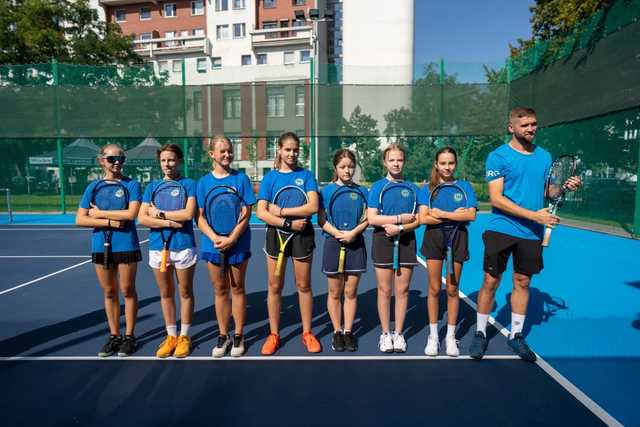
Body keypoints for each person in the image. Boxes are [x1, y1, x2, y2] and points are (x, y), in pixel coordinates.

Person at [469, 106, 581, 361]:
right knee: (490, 281)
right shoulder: (498, 157)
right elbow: (496, 199)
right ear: (512, 127)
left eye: (534, 124)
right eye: (525, 125)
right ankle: (480, 332)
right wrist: (534, 215)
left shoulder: (544, 156)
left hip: (531, 232)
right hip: (501, 229)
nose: (531, 128)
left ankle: (516, 336)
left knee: (522, 282)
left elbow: (549, 192)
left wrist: (563, 187)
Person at [256, 131, 321, 355]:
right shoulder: (270, 178)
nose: (292, 153)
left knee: (303, 286)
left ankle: (307, 333)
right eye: (288, 149)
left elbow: (312, 207)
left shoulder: (307, 175)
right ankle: (274, 334)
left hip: (303, 235)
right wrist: (287, 223)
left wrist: (282, 212)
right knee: (275, 286)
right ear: (280, 151)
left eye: (295, 150)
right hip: (277, 236)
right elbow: (262, 212)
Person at [76, 143, 142, 357]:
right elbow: (80, 219)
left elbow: (131, 215)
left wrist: (100, 214)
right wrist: (112, 223)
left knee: (127, 290)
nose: (117, 163)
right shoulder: (93, 187)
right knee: (109, 291)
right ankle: (114, 336)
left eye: (121, 159)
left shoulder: (132, 185)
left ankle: (129, 336)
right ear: (101, 160)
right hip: (100, 244)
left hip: (126, 244)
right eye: (112, 158)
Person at [197, 135, 256, 358]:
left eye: (229, 151)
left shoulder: (241, 179)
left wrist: (231, 238)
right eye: (222, 151)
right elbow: (200, 218)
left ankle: (239, 334)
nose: (227, 155)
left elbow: (246, 212)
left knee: (237, 288)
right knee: (220, 289)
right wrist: (214, 237)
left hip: (238, 242)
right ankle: (223, 335)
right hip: (212, 244)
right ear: (212, 154)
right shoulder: (203, 183)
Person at [138, 144, 197, 358]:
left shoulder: (189, 184)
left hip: (184, 246)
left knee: (185, 292)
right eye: (163, 160)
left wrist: (160, 214)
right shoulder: (152, 187)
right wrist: (170, 223)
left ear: (179, 161)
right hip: (158, 247)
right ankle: (171, 335)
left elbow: (188, 214)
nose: (167, 164)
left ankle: (184, 336)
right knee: (166, 293)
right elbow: (142, 218)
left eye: (171, 160)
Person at [418, 147, 477, 357]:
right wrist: (455, 215)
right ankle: (433, 336)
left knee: (452, 289)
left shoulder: (465, 187)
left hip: (458, 239)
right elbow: (423, 218)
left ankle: (450, 337)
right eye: (443, 163)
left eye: (451, 163)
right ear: (436, 164)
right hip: (434, 238)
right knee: (434, 289)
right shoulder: (427, 189)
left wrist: (443, 213)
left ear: (455, 163)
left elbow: (471, 216)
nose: (447, 167)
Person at [367, 144, 421, 353]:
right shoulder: (377, 187)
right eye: (392, 160)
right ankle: (385, 333)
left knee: (402, 290)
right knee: (385, 289)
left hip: (406, 242)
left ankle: (398, 333)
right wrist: (397, 219)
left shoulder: (413, 188)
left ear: (403, 161)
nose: (396, 163)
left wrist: (400, 227)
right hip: (382, 240)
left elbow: (419, 219)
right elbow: (372, 218)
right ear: (385, 162)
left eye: (399, 160)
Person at [318, 149, 369, 352]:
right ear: (335, 168)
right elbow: (321, 220)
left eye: (350, 167)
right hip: (333, 243)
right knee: (335, 291)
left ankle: (348, 332)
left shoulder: (363, 191)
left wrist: (353, 233)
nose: (347, 171)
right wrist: (338, 233)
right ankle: (337, 331)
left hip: (356, 244)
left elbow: (367, 219)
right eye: (343, 167)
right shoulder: (326, 191)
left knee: (350, 291)